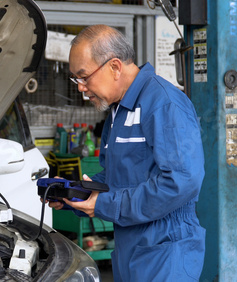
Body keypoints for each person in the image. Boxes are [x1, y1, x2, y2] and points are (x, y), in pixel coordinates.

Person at [48, 25, 206, 281]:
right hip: (130, 246)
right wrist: (76, 194)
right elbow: (117, 178)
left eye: (84, 76)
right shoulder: (118, 111)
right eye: (76, 79)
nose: (80, 87)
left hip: (166, 248)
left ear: (114, 67)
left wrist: (105, 204)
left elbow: (181, 181)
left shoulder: (163, 103)